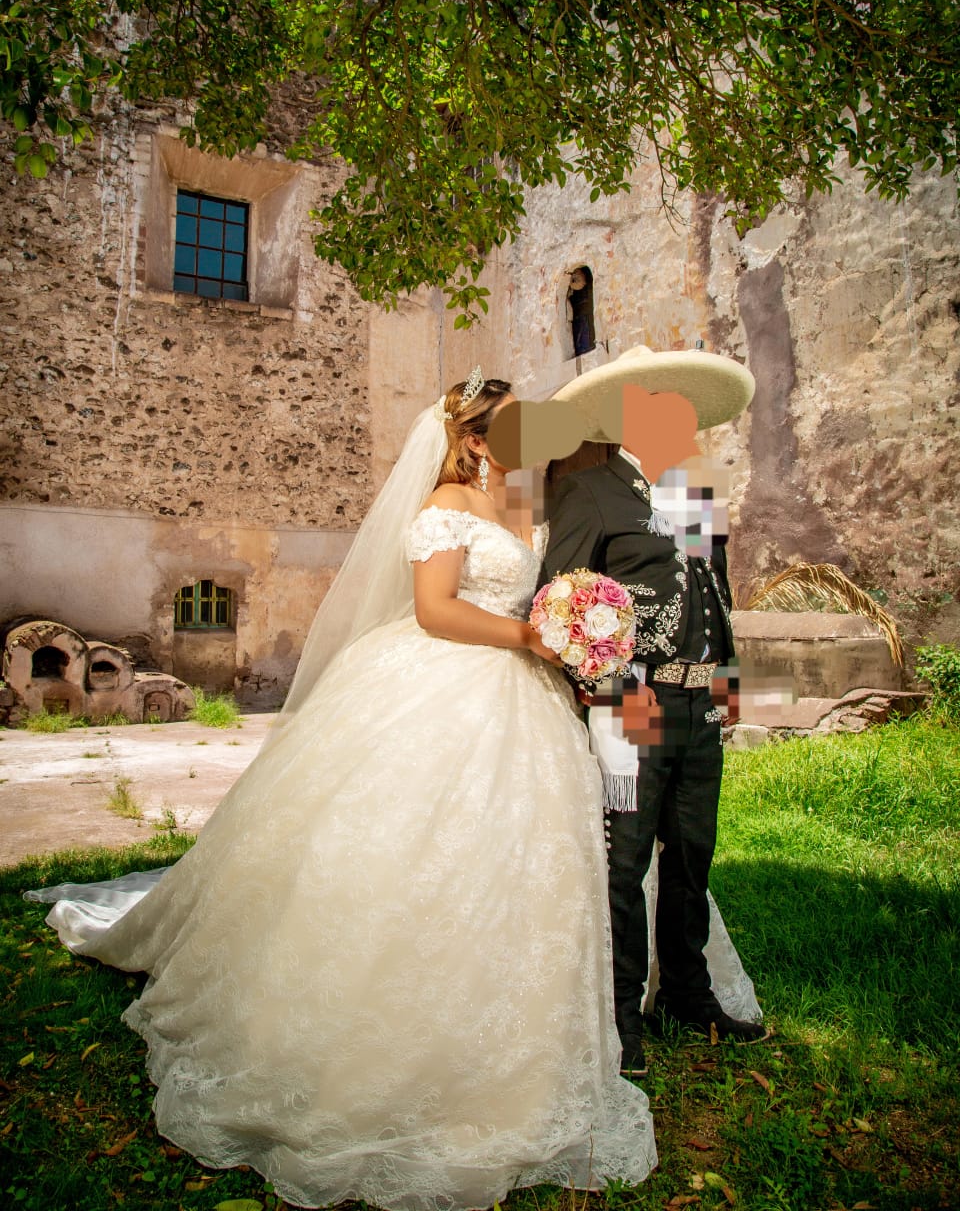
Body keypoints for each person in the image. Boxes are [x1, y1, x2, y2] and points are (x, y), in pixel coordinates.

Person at [27, 371, 657, 1211]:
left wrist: (568, 628)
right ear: (474, 438)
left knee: (508, 862)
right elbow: (435, 609)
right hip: (450, 683)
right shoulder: (444, 500)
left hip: (519, 695)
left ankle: (508, 1048)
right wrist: (534, 637)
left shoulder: (511, 507)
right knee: (405, 850)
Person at [542, 346, 768, 1076]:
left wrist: (728, 685)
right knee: (626, 860)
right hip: (632, 699)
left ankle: (688, 995)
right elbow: (560, 597)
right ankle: (618, 1016)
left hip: (700, 703)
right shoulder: (591, 491)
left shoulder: (697, 493)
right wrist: (599, 681)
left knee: (692, 854)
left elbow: (718, 594)